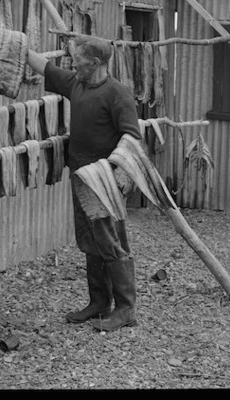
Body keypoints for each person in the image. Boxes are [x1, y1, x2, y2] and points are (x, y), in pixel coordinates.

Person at [26, 36, 141, 332]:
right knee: (90, 240)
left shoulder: (118, 95)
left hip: (104, 180)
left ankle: (125, 308)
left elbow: (131, 137)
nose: (73, 63)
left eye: (78, 60)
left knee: (111, 241)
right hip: (80, 175)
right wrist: (16, 47)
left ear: (96, 63)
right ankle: (99, 303)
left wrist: (117, 176)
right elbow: (46, 67)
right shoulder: (77, 83)